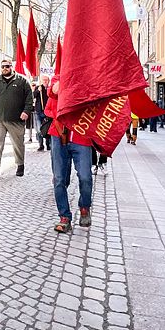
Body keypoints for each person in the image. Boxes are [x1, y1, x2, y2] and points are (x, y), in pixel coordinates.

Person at [45, 76, 94, 233]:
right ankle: (64, 216)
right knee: (59, 179)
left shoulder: (89, 76)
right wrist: (69, 78)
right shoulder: (59, 75)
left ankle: (84, 207)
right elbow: (53, 90)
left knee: (85, 177)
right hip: (59, 134)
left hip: (82, 134)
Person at [0, 60, 34, 179]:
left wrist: (26, 111)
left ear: (11, 67)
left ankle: (20, 165)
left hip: (16, 119)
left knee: (18, 144)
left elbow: (30, 97)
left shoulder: (22, 80)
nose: (5, 68)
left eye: (7, 66)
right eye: (3, 66)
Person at [33, 75, 52, 151]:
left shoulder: (50, 89)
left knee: (47, 129)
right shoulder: (38, 88)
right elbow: (33, 96)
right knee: (38, 129)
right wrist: (38, 91)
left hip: (47, 112)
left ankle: (48, 144)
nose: (45, 81)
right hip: (38, 111)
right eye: (43, 80)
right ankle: (41, 145)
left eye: (46, 80)